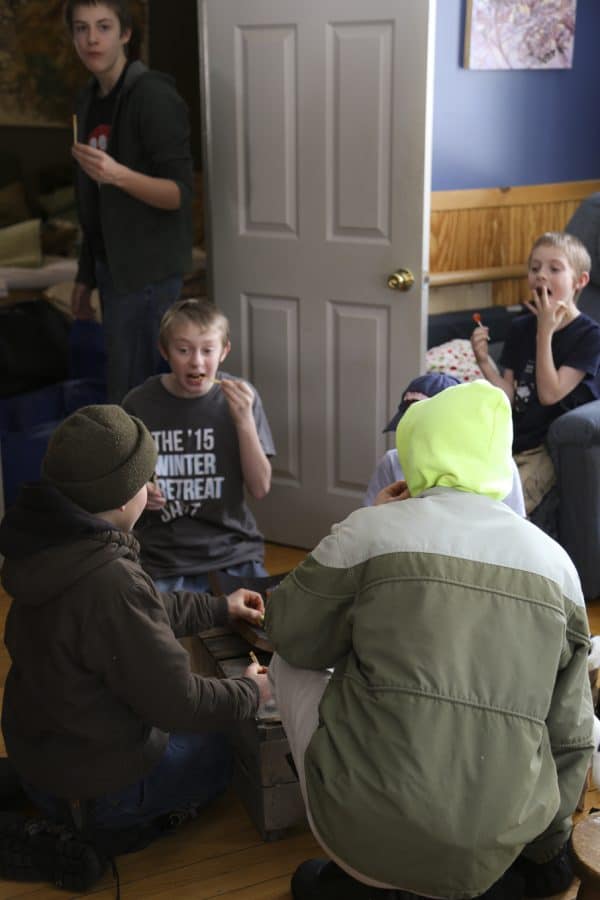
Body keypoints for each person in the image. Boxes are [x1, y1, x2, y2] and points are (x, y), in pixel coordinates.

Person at [265, 380, 594, 900]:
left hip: (359, 841)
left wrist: (365, 525)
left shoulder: (370, 531)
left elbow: (284, 629)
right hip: (492, 856)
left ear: (414, 451)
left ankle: (361, 858)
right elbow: (572, 735)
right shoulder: (558, 567)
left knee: (289, 661)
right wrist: (547, 850)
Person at [0, 405, 271, 879]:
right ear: (123, 498)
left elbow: (139, 613)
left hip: (42, 753)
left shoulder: (52, 547)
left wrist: (219, 607)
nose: (152, 490)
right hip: (103, 789)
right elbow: (181, 704)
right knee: (223, 747)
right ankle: (109, 832)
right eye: (144, 481)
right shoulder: (110, 581)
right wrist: (254, 691)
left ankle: (47, 797)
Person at [66, 0, 194, 403]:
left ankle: (137, 468)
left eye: (103, 27)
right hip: (111, 270)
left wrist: (115, 173)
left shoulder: (152, 95)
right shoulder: (87, 100)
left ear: (125, 34)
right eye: (81, 28)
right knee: (124, 388)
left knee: (135, 397)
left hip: (148, 274)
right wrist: (86, 274)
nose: (91, 39)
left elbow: (178, 194)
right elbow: (94, 203)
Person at [122, 298, 275, 592]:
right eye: (183, 350)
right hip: (162, 556)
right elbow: (123, 488)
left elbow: (260, 488)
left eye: (207, 350)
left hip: (234, 552)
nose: (196, 361)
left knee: (264, 629)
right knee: (160, 633)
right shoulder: (138, 403)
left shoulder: (243, 398)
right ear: (164, 351)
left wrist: (243, 420)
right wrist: (141, 490)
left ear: (224, 351)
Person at [471, 231, 600, 515]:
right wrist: (483, 362)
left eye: (554, 269)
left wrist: (545, 331)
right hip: (511, 437)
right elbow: (510, 393)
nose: (541, 275)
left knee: (504, 509)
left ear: (580, 281)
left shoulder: (590, 336)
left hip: (546, 447)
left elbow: (549, 393)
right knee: (469, 495)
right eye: (535, 268)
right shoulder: (521, 327)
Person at [364, 372, 526, 516]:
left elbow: (516, 519)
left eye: (422, 433)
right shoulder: (392, 461)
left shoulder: (499, 465)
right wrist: (382, 512)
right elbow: (369, 514)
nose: (412, 444)